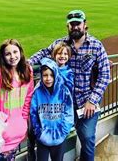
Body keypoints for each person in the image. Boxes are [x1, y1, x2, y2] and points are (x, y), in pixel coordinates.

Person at [29, 10, 110, 161]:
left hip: (86, 102)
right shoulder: (61, 44)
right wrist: (27, 64)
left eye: (78, 24)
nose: (75, 27)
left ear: (85, 25)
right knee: (56, 136)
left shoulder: (96, 45)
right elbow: (43, 52)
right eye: (71, 24)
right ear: (68, 26)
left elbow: (105, 75)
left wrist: (92, 101)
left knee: (87, 138)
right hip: (64, 104)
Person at [0, 39, 35, 161]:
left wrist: (23, 119)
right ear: (3, 56)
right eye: (8, 54)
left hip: (17, 128)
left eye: (15, 52)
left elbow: (28, 96)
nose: (13, 56)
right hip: (1, 129)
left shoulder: (27, 70)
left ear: (20, 52)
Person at [30, 58, 74, 161]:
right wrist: (39, 132)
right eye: (45, 75)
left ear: (56, 75)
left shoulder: (64, 91)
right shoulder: (37, 92)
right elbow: (33, 114)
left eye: (51, 75)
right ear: (41, 76)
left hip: (59, 138)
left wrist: (63, 131)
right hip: (42, 139)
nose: (48, 78)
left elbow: (69, 112)